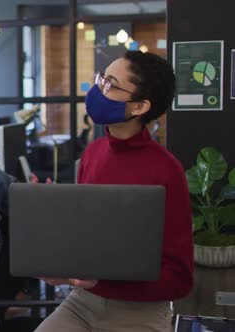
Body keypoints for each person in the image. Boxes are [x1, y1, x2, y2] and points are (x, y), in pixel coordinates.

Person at [36, 51, 194, 332]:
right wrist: (50, 226)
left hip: (139, 312)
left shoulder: (166, 170)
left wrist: (104, 281)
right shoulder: (92, 154)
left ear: (139, 107)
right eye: (101, 78)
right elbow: (86, 242)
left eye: (111, 84)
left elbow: (179, 279)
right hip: (82, 303)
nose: (99, 89)